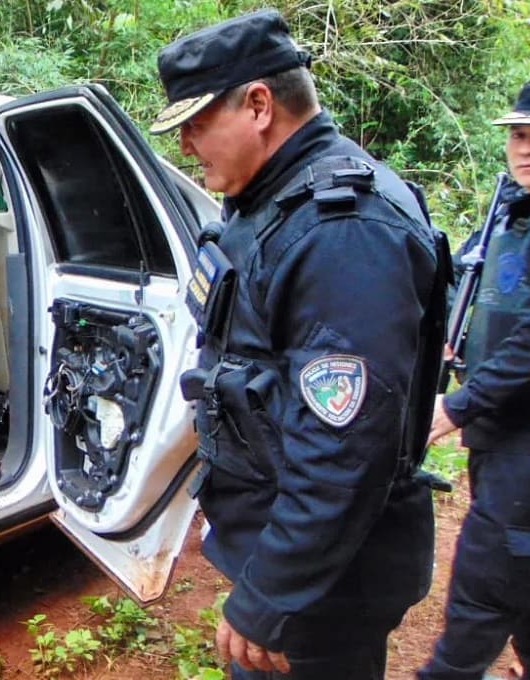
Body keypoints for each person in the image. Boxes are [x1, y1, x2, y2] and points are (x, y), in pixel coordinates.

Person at [156, 9, 448, 679]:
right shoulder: (275, 199)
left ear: (258, 105)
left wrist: (272, 593)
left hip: (326, 585)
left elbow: (345, 450)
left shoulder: (342, 231)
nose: (188, 147)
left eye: (197, 124)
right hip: (303, 561)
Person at [418, 75, 530, 680]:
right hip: (508, 440)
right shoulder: (520, 209)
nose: (528, 148)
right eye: (519, 134)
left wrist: (459, 405)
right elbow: (478, 286)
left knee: (483, 598)